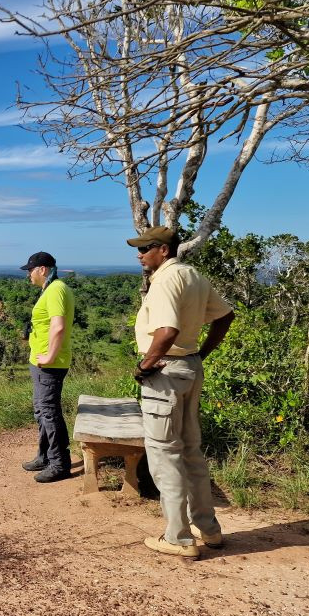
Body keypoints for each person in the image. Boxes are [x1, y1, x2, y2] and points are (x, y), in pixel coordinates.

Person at [128, 226, 235, 559]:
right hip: (189, 368)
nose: (139, 255)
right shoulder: (193, 276)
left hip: (166, 373)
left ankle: (178, 537)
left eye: (145, 249)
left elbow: (167, 330)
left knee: (164, 454)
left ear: (163, 249)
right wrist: (200, 355)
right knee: (191, 450)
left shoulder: (164, 281)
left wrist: (146, 365)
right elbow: (225, 316)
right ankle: (210, 530)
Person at [19, 251, 75, 483]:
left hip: (49, 364)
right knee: (41, 410)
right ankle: (45, 456)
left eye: (30, 270)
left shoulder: (56, 290)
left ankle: (60, 463)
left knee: (49, 412)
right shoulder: (50, 290)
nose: (28, 275)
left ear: (42, 269)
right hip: (40, 362)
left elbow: (59, 326)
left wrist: (50, 356)